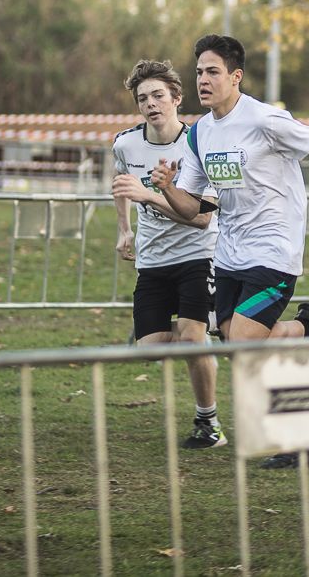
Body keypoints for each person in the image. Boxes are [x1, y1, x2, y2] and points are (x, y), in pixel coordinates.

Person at [117, 33, 309, 469]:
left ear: (235, 77)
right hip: (228, 254)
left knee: (244, 342)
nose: (204, 80)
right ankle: (305, 328)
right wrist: (166, 190)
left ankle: (298, 438)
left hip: (274, 250)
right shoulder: (200, 133)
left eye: (213, 72)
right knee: (234, 340)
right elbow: (193, 208)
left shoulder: (265, 119)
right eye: (199, 72)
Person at [111, 60, 226, 449]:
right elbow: (122, 185)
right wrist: (125, 230)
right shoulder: (126, 143)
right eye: (143, 98)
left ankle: (208, 423)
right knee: (149, 351)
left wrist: (149, 196)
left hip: (198, 255)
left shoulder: (200, 142)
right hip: (153, 260)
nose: (151, 104)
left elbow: (202, 220)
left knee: (192, 341)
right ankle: (219, 327)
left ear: (177, 98)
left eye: (159, 95)